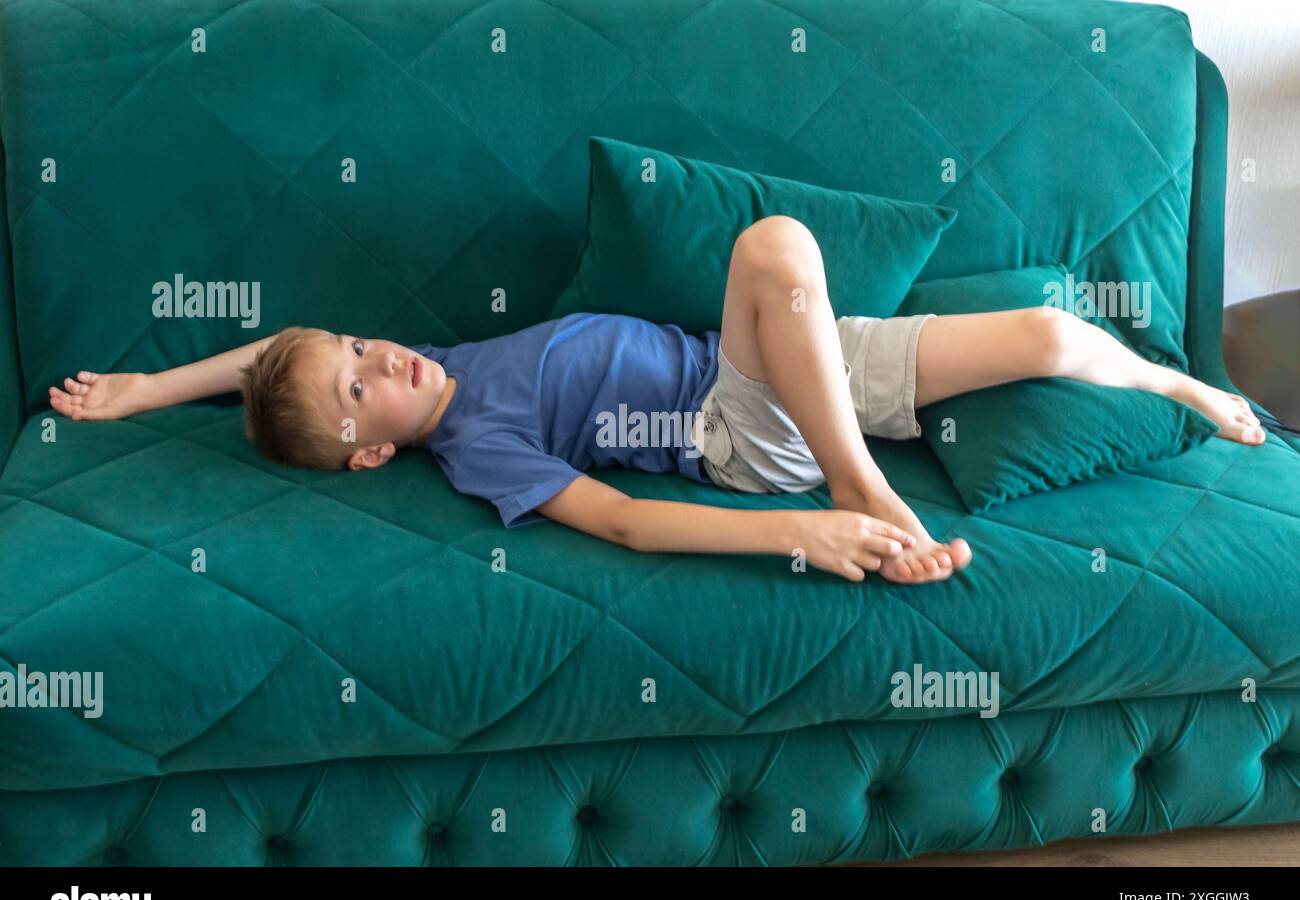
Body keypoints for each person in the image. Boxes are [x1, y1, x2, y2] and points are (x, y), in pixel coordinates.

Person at [47, 216, 1266, 585]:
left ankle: (1182, 381)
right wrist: (803, 526)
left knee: (1056, 332)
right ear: (372, 456)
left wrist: (152, 386)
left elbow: (280, 348)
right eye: (360, 389)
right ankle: (865, 486)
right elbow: (627, 522)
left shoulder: (428, 361)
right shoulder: (477, 445)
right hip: (743, 435)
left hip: (800, 364)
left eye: (362, 346)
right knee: (775, 246)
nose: (382, 362)